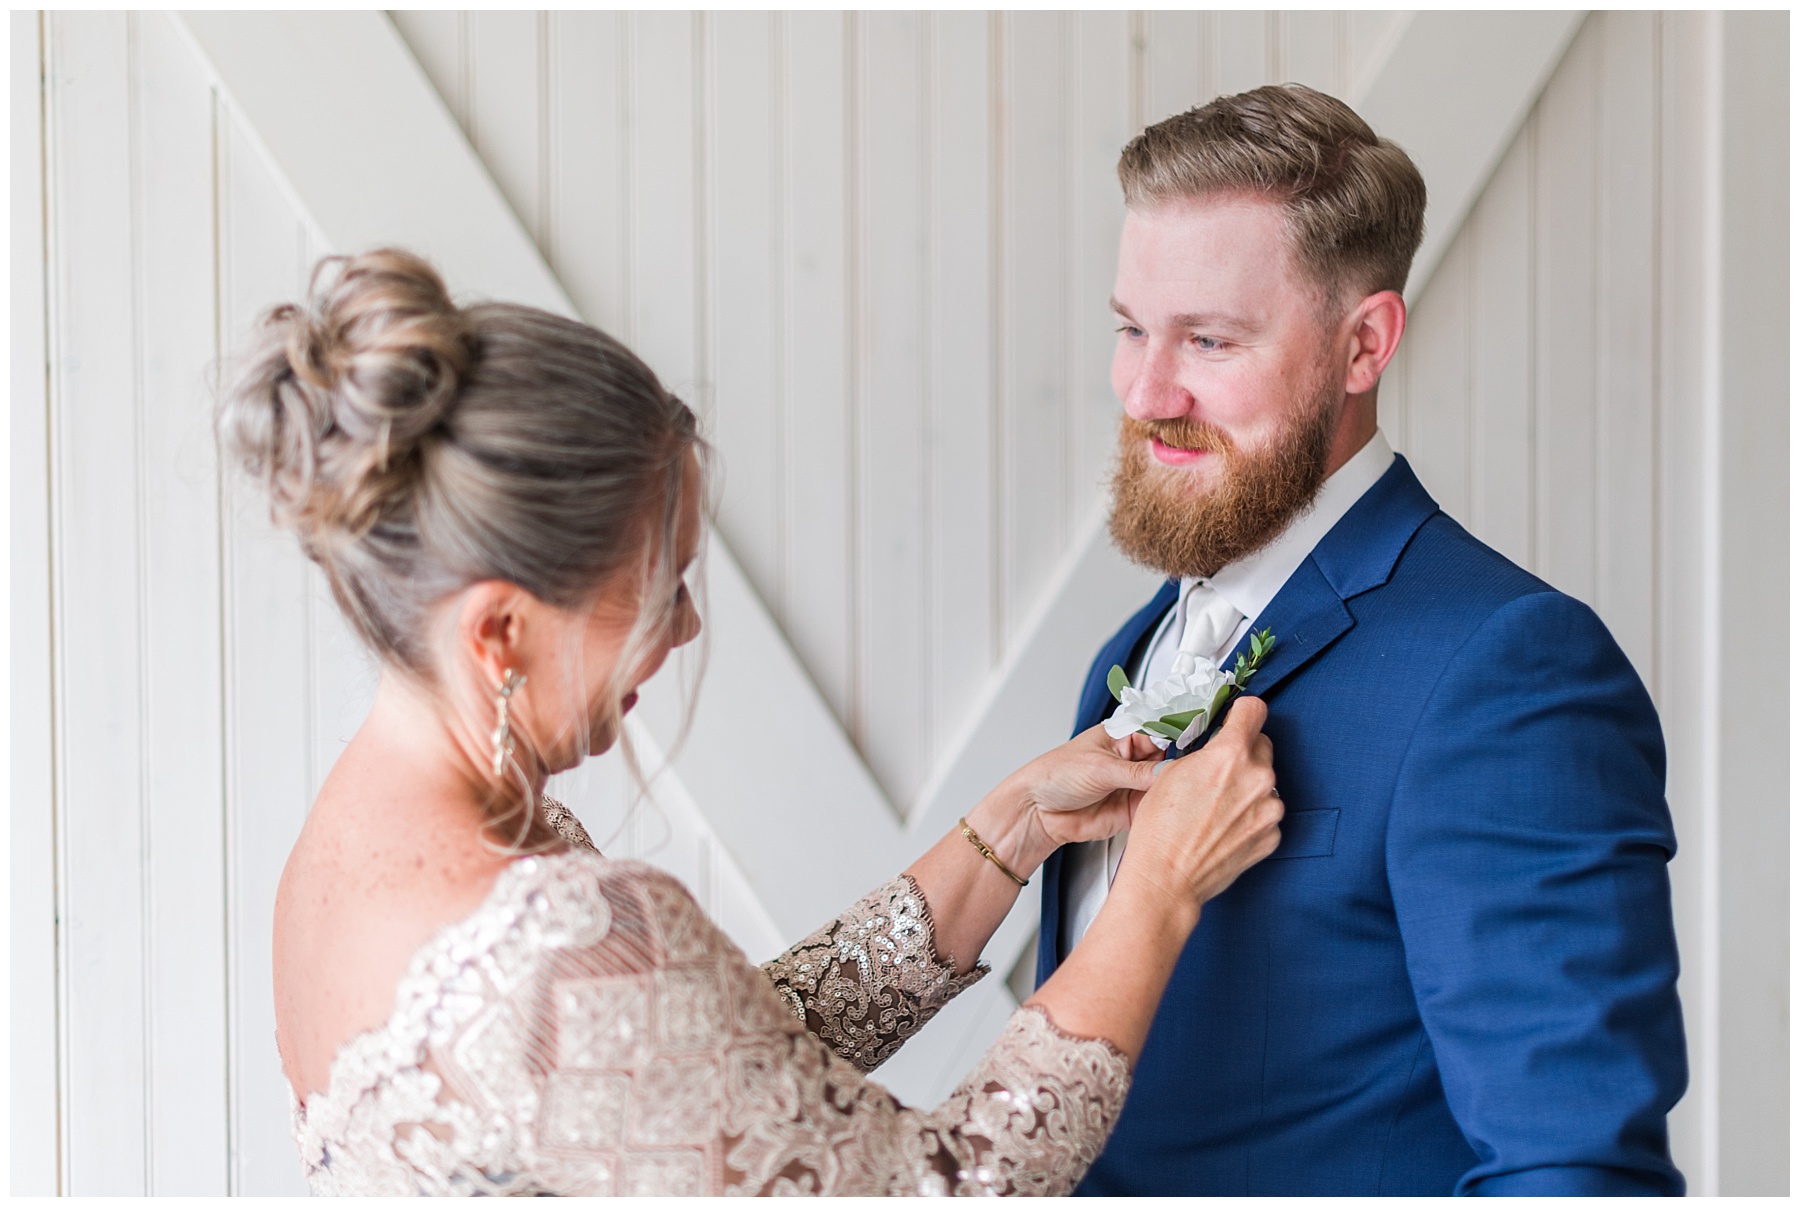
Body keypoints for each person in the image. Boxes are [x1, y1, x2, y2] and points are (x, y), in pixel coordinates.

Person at [220, 249, 1285, 1195]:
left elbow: (710, 1093)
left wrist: (1010, 829)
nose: (683, 628)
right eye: (657, 590)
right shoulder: (545, 942)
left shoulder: (339, 857)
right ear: (499, 628)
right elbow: (938, 1188)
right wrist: (1156, 893)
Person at [1038, 84, 1688, 1196]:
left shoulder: (1511, 670)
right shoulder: (1130, 651)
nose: (1147, 389)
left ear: (1364, 345)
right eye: (1131, 328)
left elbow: (1570, 1165)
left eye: (1208, 338)